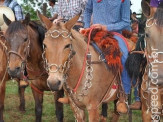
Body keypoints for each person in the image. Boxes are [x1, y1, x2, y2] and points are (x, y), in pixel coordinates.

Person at [83, 0, 141, 112]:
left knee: (124, 57)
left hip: (115, 33)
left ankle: (123, 95)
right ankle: (73, 90)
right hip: (93, 31)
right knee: (75, 49)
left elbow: (125, 22)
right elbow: (88, 10)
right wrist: (86, 26)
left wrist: (105, 27)